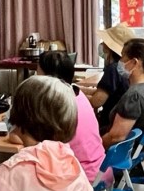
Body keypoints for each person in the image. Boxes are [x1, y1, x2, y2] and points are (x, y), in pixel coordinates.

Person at [38, 51, 107, 182]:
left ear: (48, 78)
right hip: (101, 170)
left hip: (84, 178)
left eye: (38, 73)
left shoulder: (57, 104)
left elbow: (33, 139)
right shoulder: (77, 94)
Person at [101, 38, 144, 149]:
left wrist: (93, 149)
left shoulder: (135, 95)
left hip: (122, 152)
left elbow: (115, 137)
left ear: (134, 62)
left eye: (122, 57)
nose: (120, 62)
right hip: (140, 149)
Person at [77, 24, 134, 134]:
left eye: (104, 42)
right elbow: (104, 91)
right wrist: (77, 89)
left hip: (108, 125)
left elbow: (96, 102)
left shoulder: (113, 69)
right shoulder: (124, 67)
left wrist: (72, 96)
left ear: (109, 47)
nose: (102, 44)